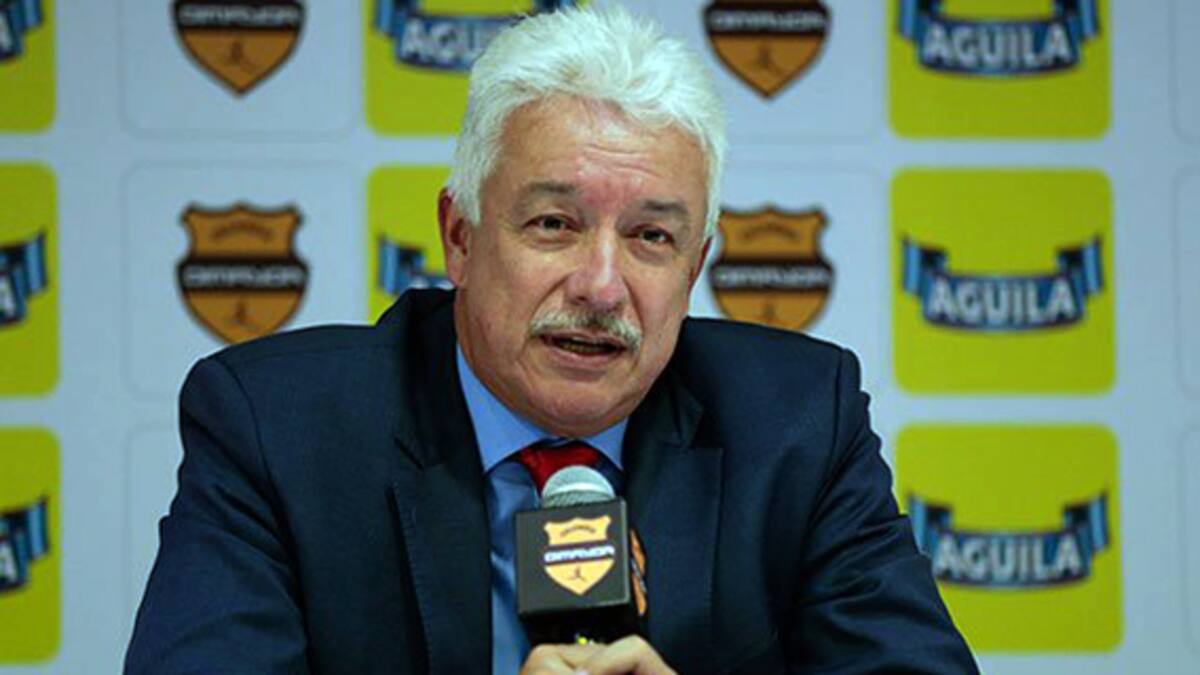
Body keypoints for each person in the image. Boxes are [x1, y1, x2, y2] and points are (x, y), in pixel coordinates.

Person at [126, 6, 977, 674]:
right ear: (460, 237)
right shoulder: (280, 430)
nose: (602, 286)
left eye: (651, 237)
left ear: (695, 266)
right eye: (554, 224)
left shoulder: (796, 424)